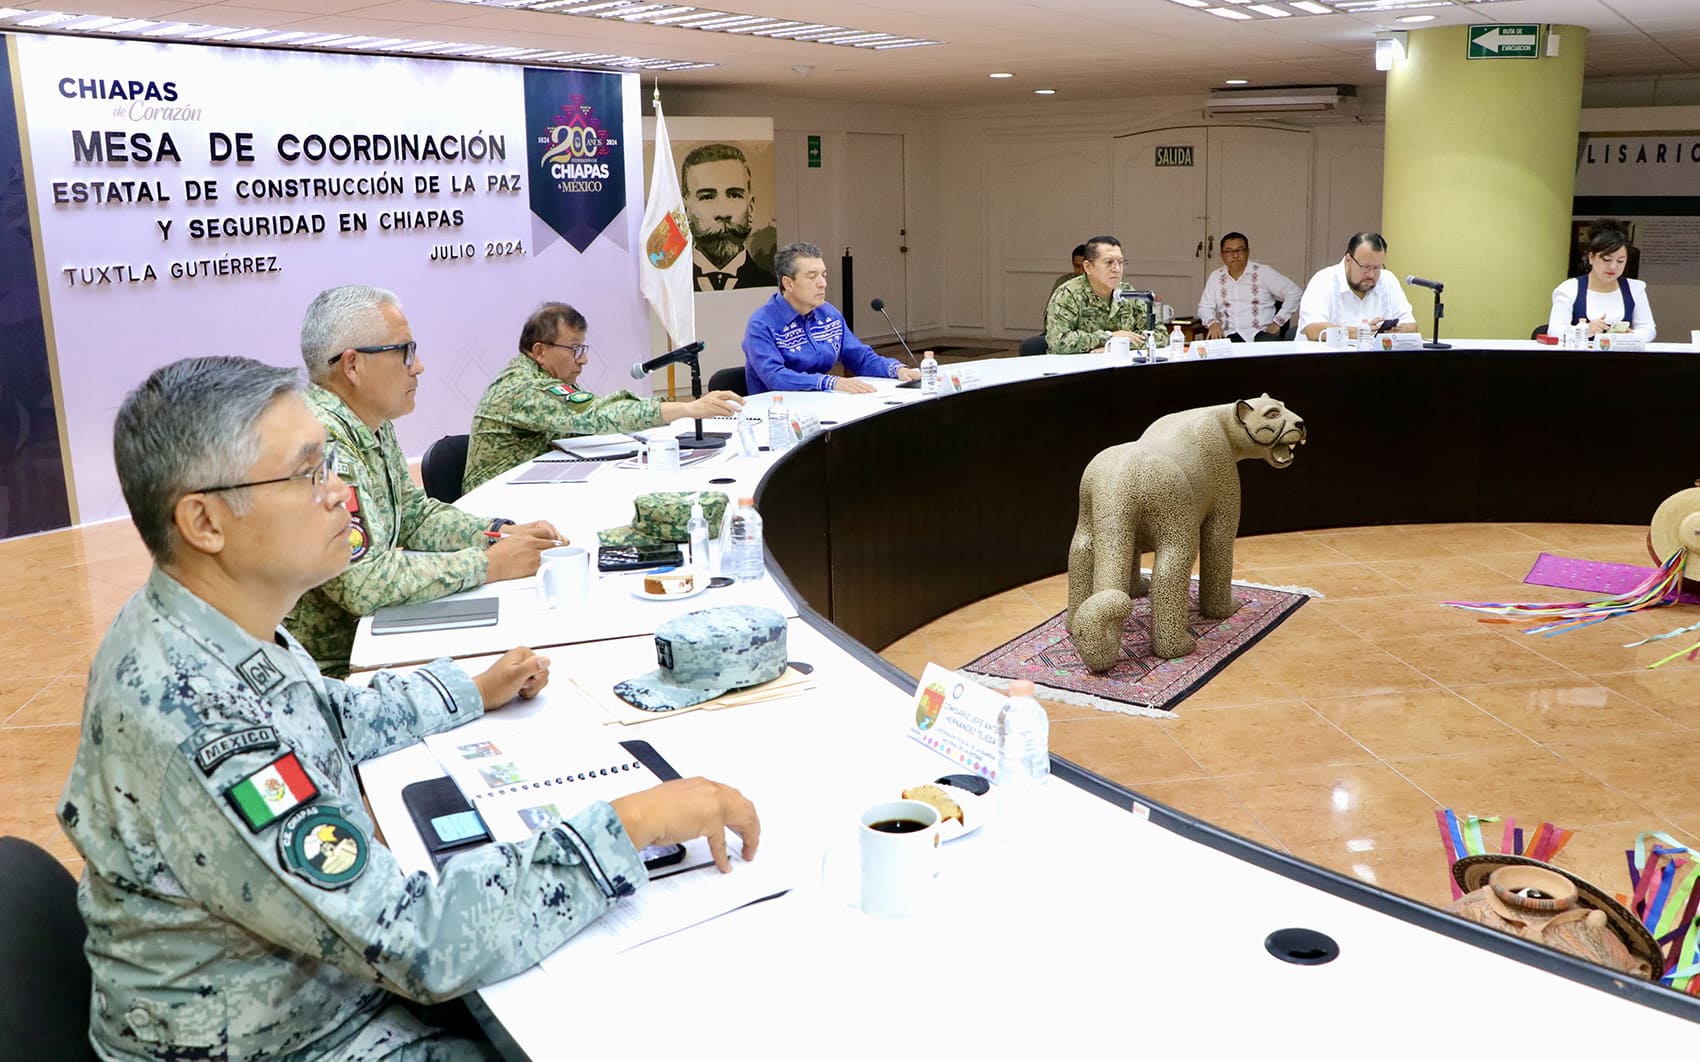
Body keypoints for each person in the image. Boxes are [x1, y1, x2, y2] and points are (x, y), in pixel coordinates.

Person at [58, 355, 761, 1062]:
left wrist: (470, 688)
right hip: (297, 1040)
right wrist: (631, 824)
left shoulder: (208, 622)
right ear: (204, 520)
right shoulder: (196, 715)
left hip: (322, 998)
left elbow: (326, 716)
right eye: (308, 474)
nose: (341, 495)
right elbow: (416, 940)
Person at [286, 285, 560, 676]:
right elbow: (363, 583)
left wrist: (498, 534)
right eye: (405, 352)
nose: (418, 367)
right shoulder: (320, 442)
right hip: (334, 673)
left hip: (379, 640)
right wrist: (487, 564)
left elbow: (413, 515)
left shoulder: (369, 422)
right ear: (352, 365)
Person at [462, 302, 741, 492]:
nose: (582, 361)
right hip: (495, 502)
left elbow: (596, 409)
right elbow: (597, 416)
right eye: (574, 349)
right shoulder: (524, 389)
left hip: (533, 483)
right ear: (539, 351)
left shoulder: (543, 378)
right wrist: (688, 409)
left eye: (583, 349)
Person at [742, 241, 923, 394]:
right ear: (788, 283)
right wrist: (831, 382)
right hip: (777, 414)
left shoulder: (829, 315)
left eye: (824, 275)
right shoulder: (762, 324)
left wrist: (896, 369)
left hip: (823, 404)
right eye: (812, 277)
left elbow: (860, 358)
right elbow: (775, 377)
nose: (823, 284)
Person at [1044, 235, 1163, 355]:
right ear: (1088, 267)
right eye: (1109, 262)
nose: (1116, 269)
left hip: (1119, 366)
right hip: (1077, 369)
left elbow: (1159, 334)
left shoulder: (1127, 292)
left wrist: (1116, 346)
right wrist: (1108, 337)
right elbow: (1058, 342)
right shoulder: (1068, 294)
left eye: (1120, 262)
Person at [681, 143, 777, 291]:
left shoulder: (771, 285)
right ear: (685, 210)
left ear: (750, 207)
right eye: (707, 197)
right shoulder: (667, 287)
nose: (723, 213)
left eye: (734, 195)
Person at [1296, 231, 1418, 341]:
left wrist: (1390, 330)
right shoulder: (1323, 280)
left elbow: (1411, 327)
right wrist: (1362, 332)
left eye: (1377, 268)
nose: (1371, 274)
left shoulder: (1388, 280)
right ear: (1349, 260)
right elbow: (1313, 330)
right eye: (1365, 267)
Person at [1547, 219, 1656, 342]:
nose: (1613, 267)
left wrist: (1632, 336)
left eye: (1620, 261)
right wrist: (1586, 330)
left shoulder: (1635, 288)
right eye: (1606, 259)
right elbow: (1555, 332)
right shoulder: (1569, 289)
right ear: (1591, 257)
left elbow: (1648, 328)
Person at [1198, 232, 1303, 342]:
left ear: (1248, 252)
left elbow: (1295, 292)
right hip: (1229, 335)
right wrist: (1213, 323)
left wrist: (1277, 323)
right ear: (1222, 255)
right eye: (1229, 251)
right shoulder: (1216, 277)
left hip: (1261, 334)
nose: (1235, 255)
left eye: (1240, 250)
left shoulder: (1263, 273)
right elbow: (1204, 307)